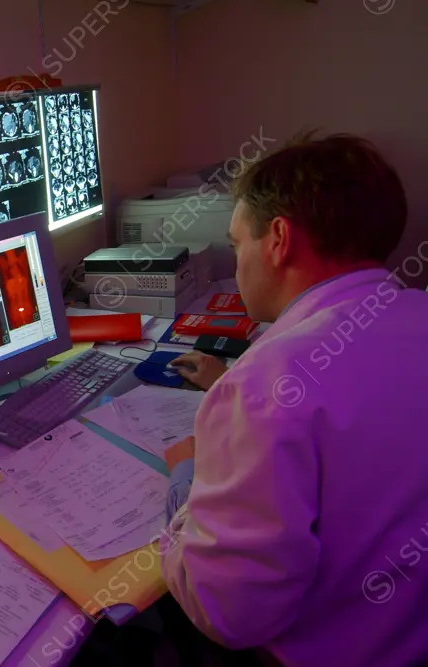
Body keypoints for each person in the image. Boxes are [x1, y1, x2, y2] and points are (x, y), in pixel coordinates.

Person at [160, 134, 428, 666]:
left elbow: (231, 615)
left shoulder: (265, 385)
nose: (236, 264)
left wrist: (182, 482)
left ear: (278, 240)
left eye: (237, 245)